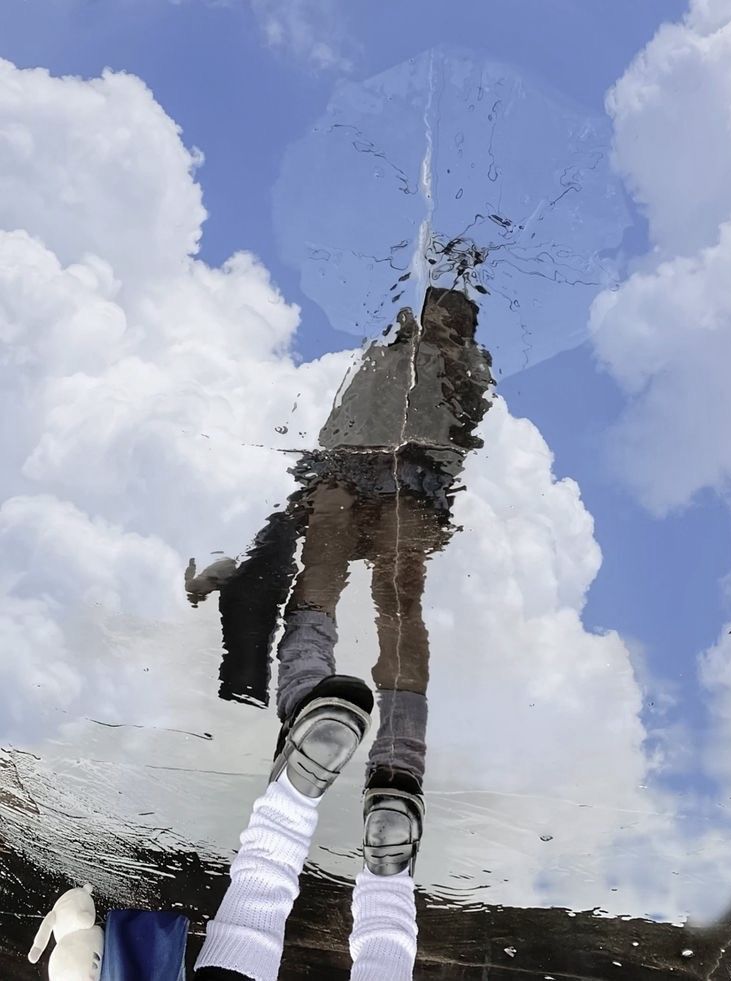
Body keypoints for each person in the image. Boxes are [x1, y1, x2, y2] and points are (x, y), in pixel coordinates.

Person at [187, 285, 494, 979]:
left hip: (365, 461)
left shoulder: (397, 354)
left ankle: (369, 764)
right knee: (396, 596)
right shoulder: (460, 365)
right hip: (408, 472)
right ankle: (387, 767)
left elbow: (355, 415)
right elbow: (464, 429)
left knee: (337, 566)